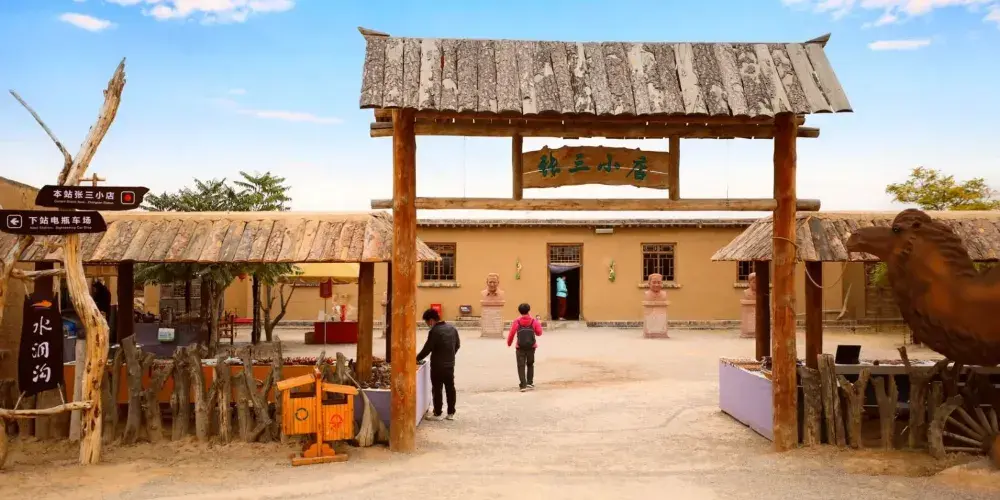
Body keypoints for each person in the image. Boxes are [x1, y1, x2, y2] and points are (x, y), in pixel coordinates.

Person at [416, 308, 460, 421]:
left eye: (427, 322)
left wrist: (416, 359)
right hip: (450, 365)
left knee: (437, 389)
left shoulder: (434, 331)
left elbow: (427, 348)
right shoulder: (452, 328)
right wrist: (450, 356)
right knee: (450, 388)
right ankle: (451, 413)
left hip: (437, 366)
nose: (427, 325)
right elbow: (457, 345)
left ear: (431, 320)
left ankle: (437, 412)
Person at [507, 303, 543, 392]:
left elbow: (511, 333)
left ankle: (523, 385)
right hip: (531, 346)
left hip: (520, 346)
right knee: (530, 364)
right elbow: (539, 333)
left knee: (521, 365)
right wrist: (538, 323)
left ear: (519, 311)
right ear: (528, 310)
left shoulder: (517, 321)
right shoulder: (533, 321)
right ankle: (529, 383)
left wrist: (509, 343)